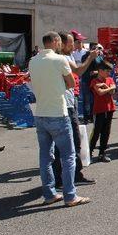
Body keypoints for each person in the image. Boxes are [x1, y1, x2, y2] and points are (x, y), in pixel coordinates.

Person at [28, 31, 90, 207]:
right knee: (68, 155)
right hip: (58, 113)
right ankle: (70, 195)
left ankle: (49, 194)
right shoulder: (60, 59)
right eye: (59, 42)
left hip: (40, 113)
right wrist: (58, 84)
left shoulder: (33, 61)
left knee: (45, 157)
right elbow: (71, 83)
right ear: (55, 41)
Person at [51, 32, 97, 187]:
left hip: (71, 101)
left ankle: (73, 174)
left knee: (74, 142)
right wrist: (90, 57)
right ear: (62, 44)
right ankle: (60, 178)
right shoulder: (62, 58)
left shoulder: (67, 56)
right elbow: (78, 71)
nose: (74, 46)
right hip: (65, 105)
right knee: (66, 142)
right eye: (70, 43)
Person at [89, 60, 116, 162]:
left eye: (110, 72)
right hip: (99, 110)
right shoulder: (94, 81)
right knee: (96, 132)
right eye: (107, 71)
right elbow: (99, 92)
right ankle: (89, 152)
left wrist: (106, 87)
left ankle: (102, 153)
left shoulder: (109, 79)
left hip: (109, 109)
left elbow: (113, 90)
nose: (109, 74)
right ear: (100, 71)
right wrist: (108, 88)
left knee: (106, 132)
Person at [79, 43, 103, 124]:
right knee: (86, 100)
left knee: (94, 99)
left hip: (95, 81)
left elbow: (101, 66)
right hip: (86, 80)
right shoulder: (85, 56)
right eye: (96, 48)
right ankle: (86, 117)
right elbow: (84, 64)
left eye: (98, 48)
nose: (97, 50)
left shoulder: (99, 57)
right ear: (91, 48)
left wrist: (97, 71)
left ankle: (92, 117)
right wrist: (91, 55)